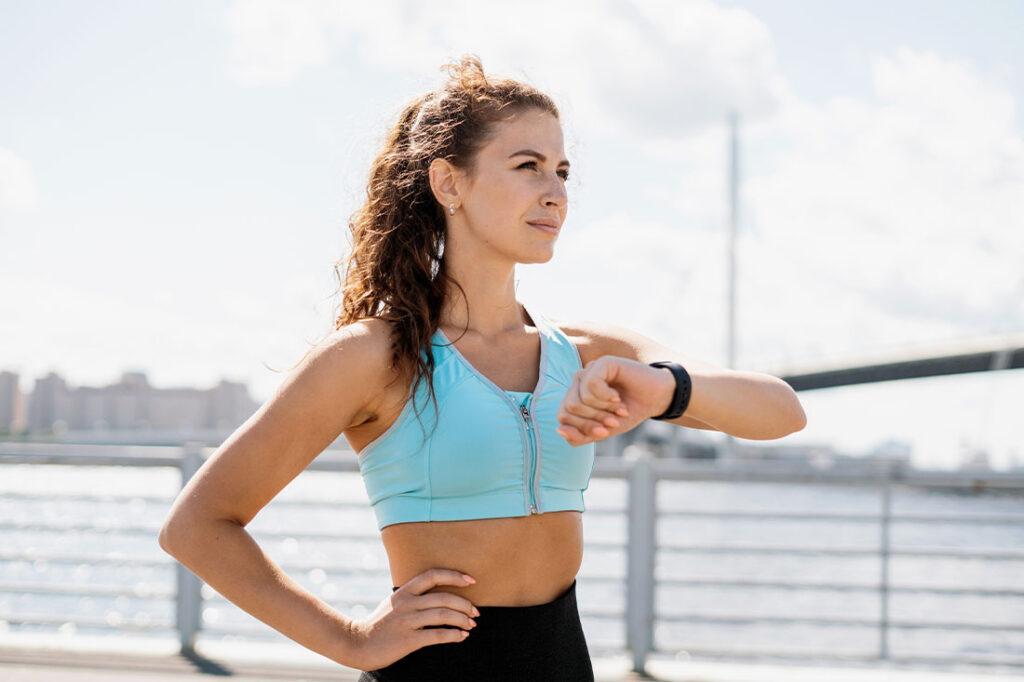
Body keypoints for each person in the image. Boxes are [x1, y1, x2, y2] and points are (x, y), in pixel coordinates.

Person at [158, 55, 806, 681]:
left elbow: (782, 412)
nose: (555, 193)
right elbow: (197, 525)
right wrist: (350, 639)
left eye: (562, 171)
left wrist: (664, 387)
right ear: (449, 183)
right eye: (528, 167)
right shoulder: (374, 357)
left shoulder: (584, 352)